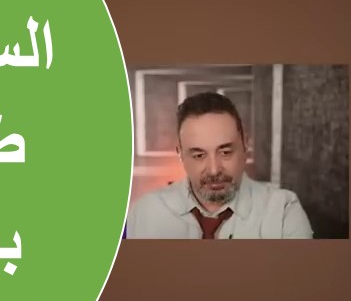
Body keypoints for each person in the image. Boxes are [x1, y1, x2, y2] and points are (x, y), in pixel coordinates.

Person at [125, 91, 314, 240]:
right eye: (199, 155)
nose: (214, 170)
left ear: (245, 146)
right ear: (180, 154)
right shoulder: (145, 212)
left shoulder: (283, 211)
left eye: (225, 152)